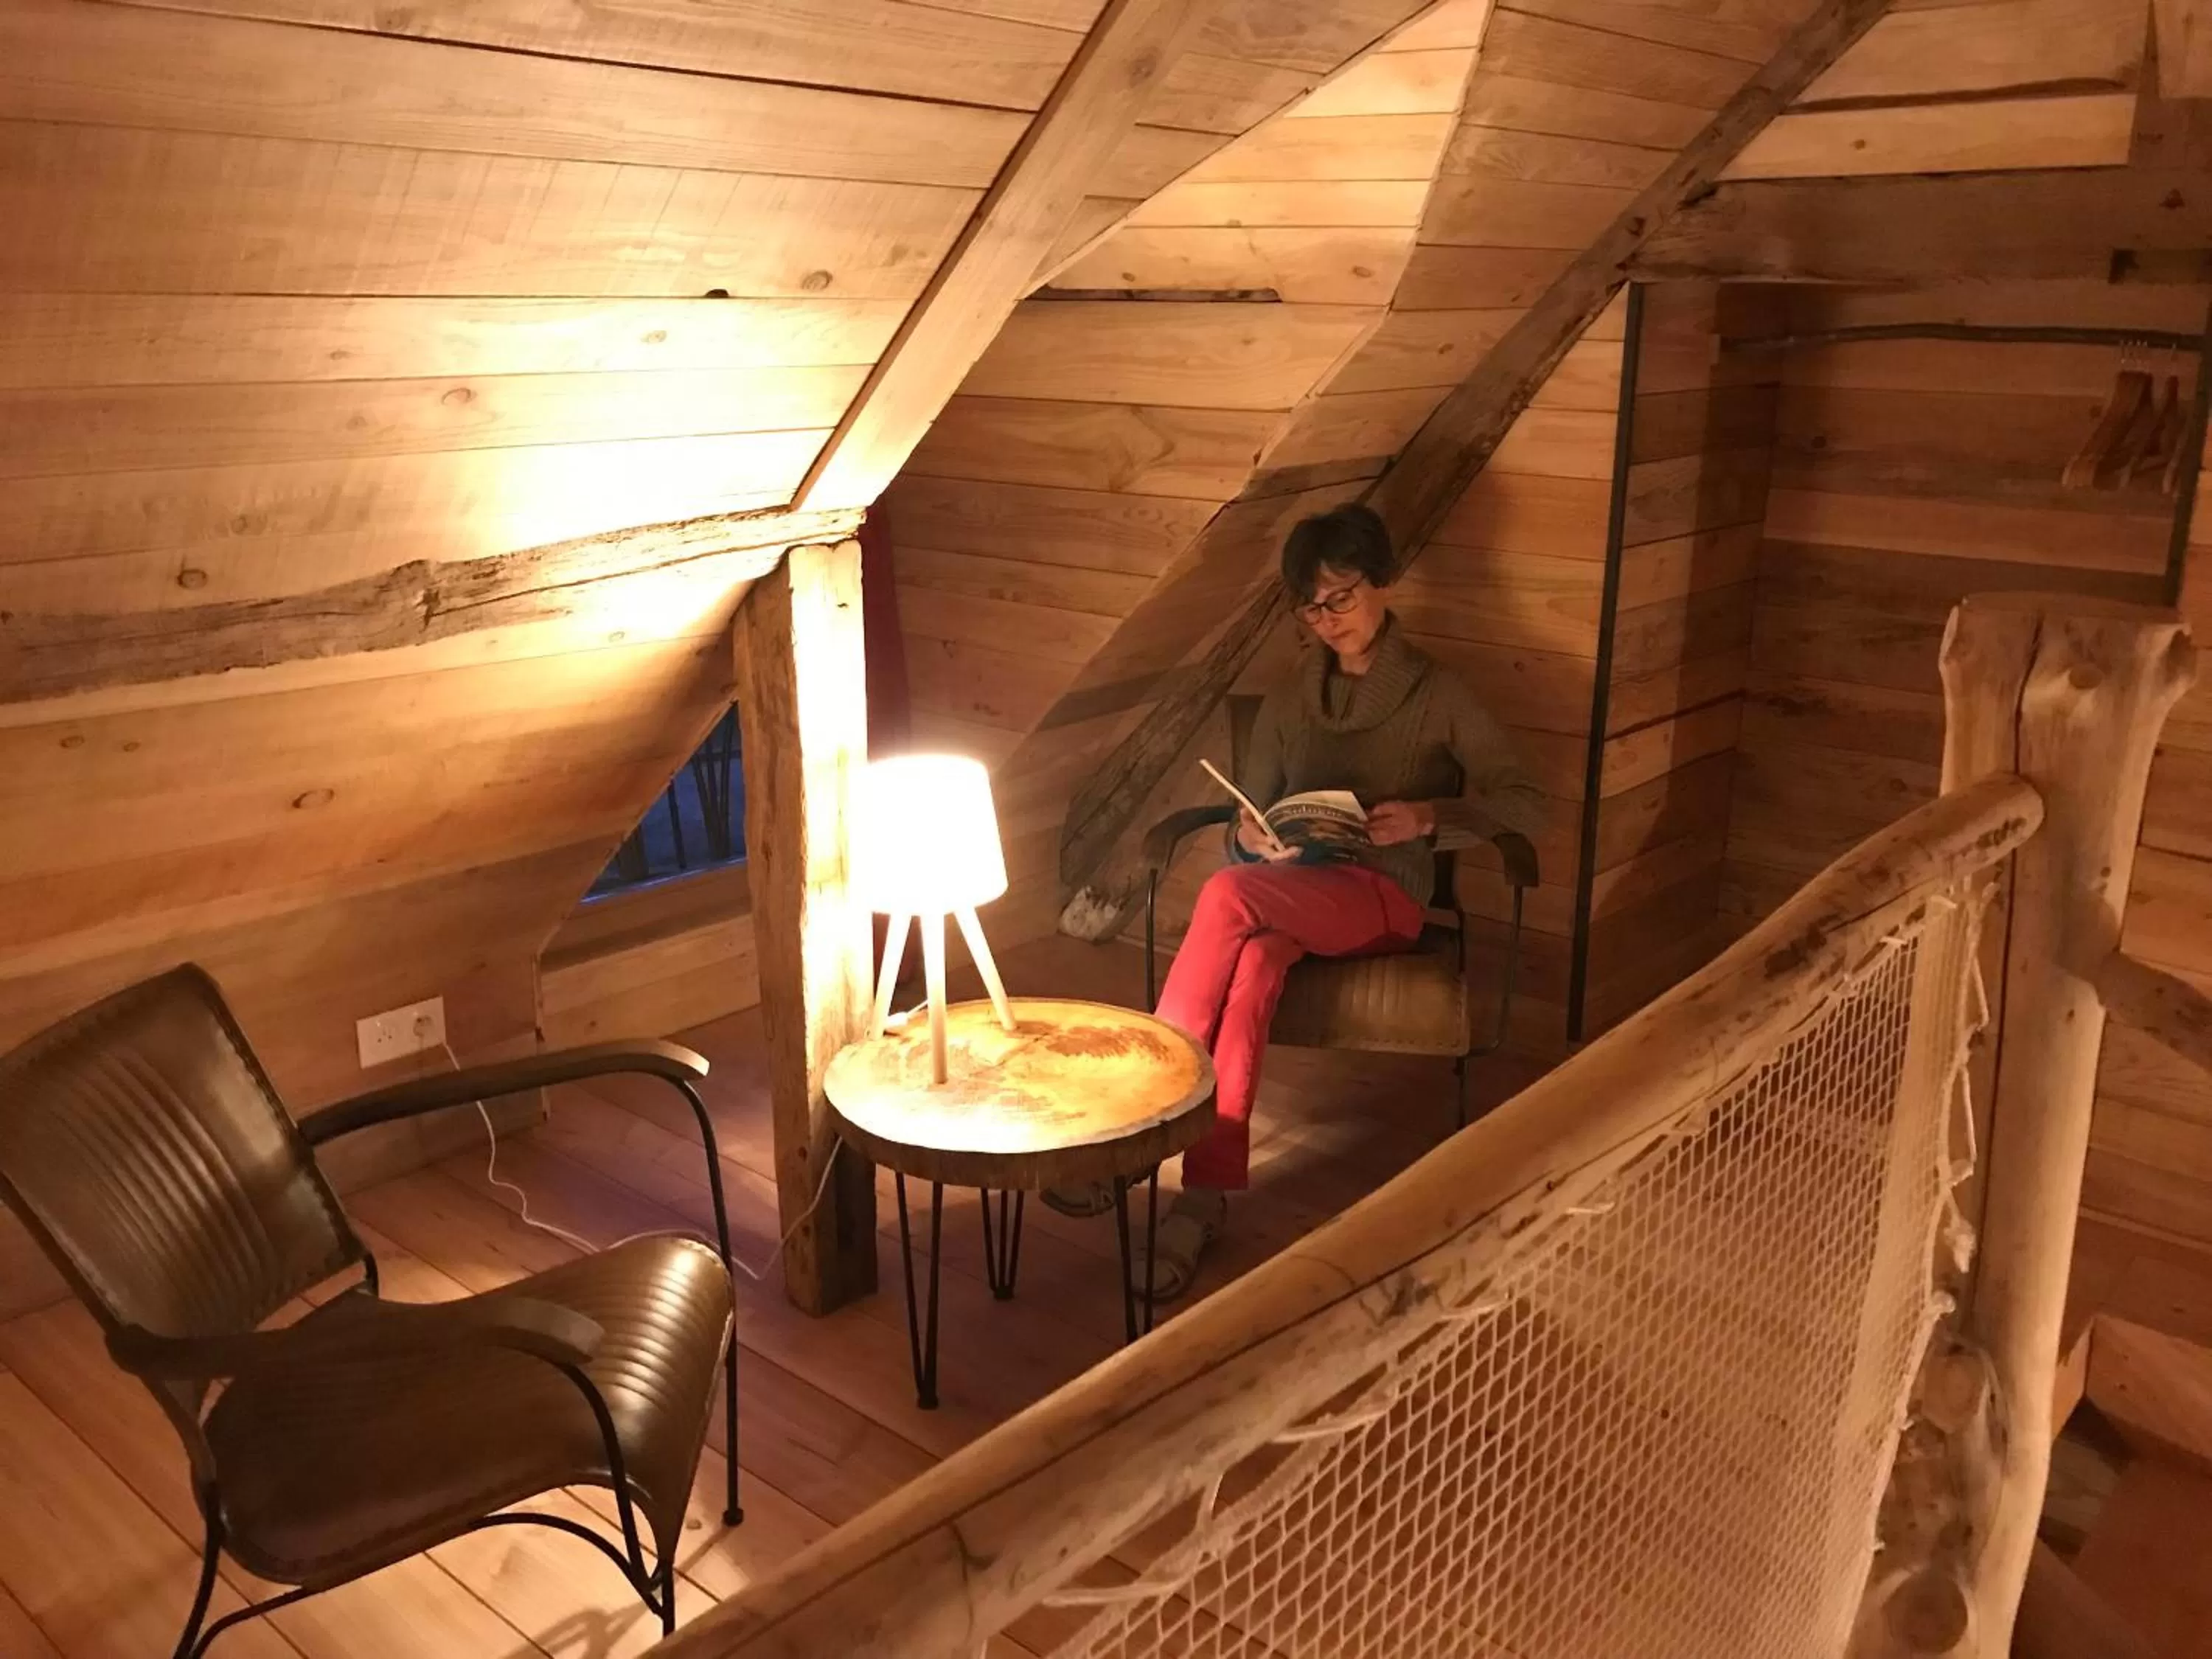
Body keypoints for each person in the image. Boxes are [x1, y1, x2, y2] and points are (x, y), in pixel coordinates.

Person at [1051, 504, 1544, 1301]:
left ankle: (1138, 1124)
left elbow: (1527, 803)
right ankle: (1202, 1200)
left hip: (1385, 898)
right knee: (1248, 970)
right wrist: (1252, 836)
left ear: (1381, 582)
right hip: (1293, 895)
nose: (1328, 620)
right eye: (1312, 607)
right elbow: (1255, 827)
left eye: (1341, 597)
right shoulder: (1288, 700)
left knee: (1224, 896)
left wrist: (1430, 818)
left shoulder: (1438, 692)